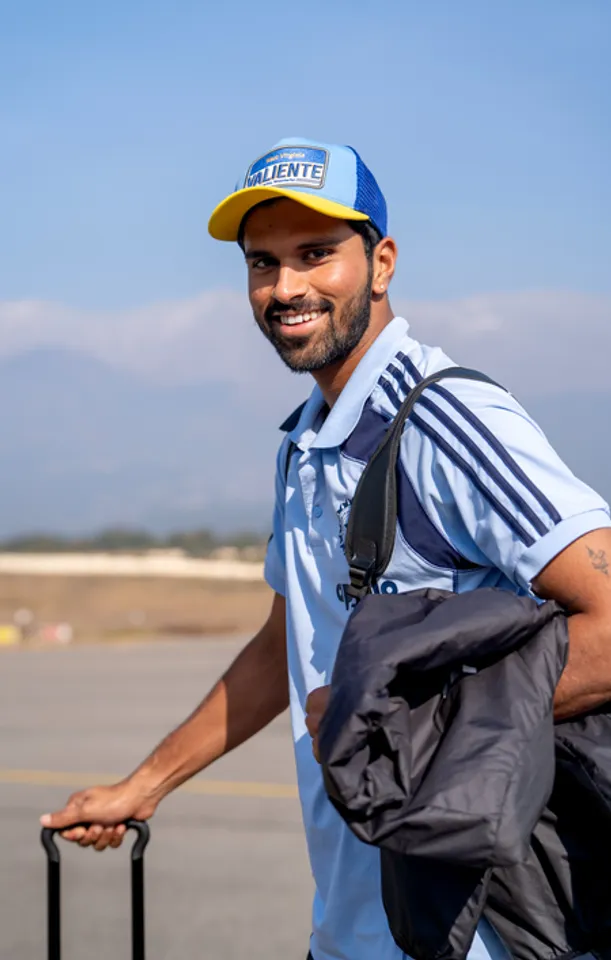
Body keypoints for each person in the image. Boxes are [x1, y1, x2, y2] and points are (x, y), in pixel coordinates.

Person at [42, 138, 611, 960]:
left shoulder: (446, 424)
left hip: (476, 934)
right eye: (261, 263)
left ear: (380, 263)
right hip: (353, 927)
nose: (285, 288)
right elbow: (289, 645)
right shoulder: (302, 444)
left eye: (315, 255)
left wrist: (399, 714)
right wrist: (147, 784)